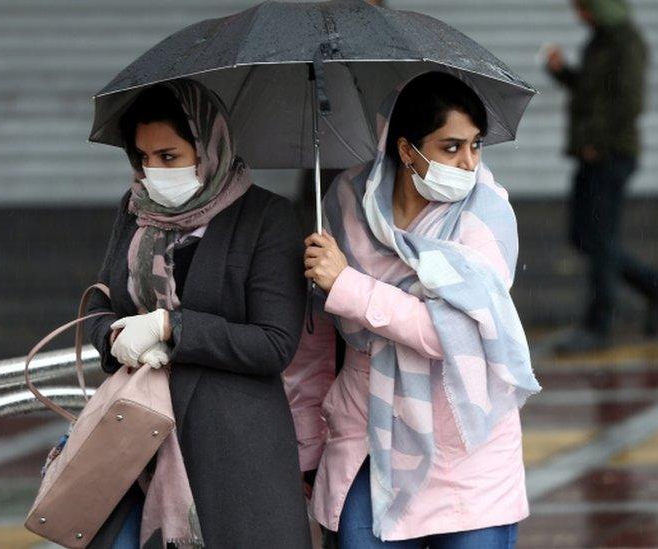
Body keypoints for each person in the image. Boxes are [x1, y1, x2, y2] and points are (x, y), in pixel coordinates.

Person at [283, 72, 541, 548]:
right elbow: (315, 337)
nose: (467, 163)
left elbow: (451, 333)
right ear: (406, 150)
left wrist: (348, 285)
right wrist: (306, 442)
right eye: (450, 147)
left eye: (476, 146)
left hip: (465, 449)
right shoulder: (345, 202)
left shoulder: (486, 216)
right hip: (365, 440)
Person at [83, 80, 311, 548]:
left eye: (168, 157)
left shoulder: (267, 217)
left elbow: (273, 344)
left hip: (232, 451)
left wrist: (171, 327)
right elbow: (99, 305)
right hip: (133, 437)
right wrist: (111, 336)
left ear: (209, 146)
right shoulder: (134, 212)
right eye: (143, 159)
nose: (153, 172)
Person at [543, 0, 658, 353]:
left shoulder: (625, 43)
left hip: (611, 154)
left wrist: (598, 143)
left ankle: (598, 326)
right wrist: (563, 74)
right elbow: (593, 93)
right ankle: (656, 287)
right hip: (592, 153)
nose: (579, 16)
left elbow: (630, 103)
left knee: (599, 240)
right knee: (583, 237)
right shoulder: (600, 41)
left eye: (584, 8)